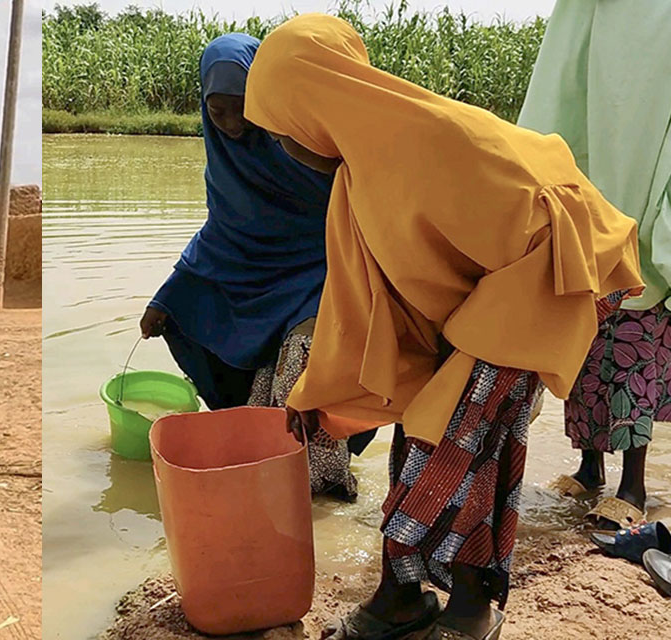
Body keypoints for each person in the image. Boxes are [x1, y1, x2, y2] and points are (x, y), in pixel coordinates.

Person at [244, 14, 641, 640]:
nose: (283, 146)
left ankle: (470, 607)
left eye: (282, 129)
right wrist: (315, 395)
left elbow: (546, 214)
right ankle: (402, 597)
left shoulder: (428, 136)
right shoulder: (357, 173)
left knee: (459, 448)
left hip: (552, 274)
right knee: (424, 430)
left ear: (316, 104)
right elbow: (369, 303)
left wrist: (475, 345)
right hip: (488, 299)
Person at [138, 33, 366, 501]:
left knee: (303, 372)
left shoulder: (305, 146)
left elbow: (360, 212)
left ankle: (323, 486)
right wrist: (166, 299)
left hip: (323, 276)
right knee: (263, 398)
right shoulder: (224, 166)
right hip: (262, 289)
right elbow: (221, 236)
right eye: (217, 111)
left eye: (242, 107)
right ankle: (273, 486)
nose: (232, 123)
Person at [517, 0, 671, 531]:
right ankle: (590, 468)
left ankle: (633, 486)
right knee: (584, 354)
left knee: (631, 358)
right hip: (588, 223)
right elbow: (561, 99)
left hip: (640, 223)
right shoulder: (583, 13)